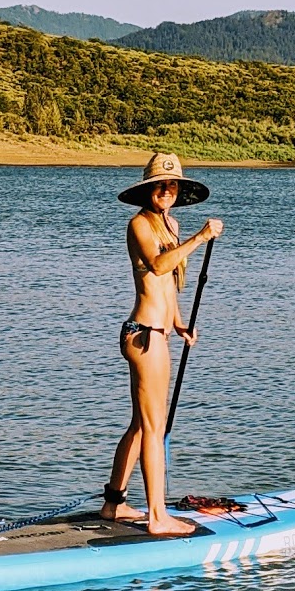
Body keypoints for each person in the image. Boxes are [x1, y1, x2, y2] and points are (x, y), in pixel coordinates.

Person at [103, 153, 223, 536]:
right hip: (143, 336)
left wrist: (178, 322)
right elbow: (156, 266)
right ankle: (158, 517)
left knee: (141, 424)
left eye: (172, 186)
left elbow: (167, 284)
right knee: (154, 428)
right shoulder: (139, 223)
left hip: (159, 330)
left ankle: (113, 505)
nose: (167, 191)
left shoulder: (169, 222)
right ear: (147, 190)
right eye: (160, 186)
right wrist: (200, 238)